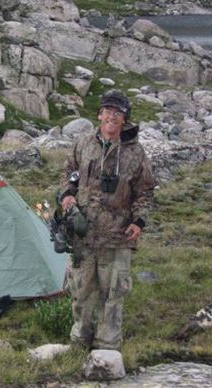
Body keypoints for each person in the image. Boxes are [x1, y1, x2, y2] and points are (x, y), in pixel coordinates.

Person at [58, 89, 155, 351]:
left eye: (118, 113)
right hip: (83, 233)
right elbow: (69, 171)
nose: (111, 116)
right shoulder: (83, 143)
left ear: (125, 119)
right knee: (81, 291)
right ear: (99, 114)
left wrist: (139, 222)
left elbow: (145, 191)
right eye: (107, 111)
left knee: (113, 293)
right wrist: (67, 194)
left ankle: (107, 347)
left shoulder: (136, 152)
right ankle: (80, 343)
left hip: (117, 236)